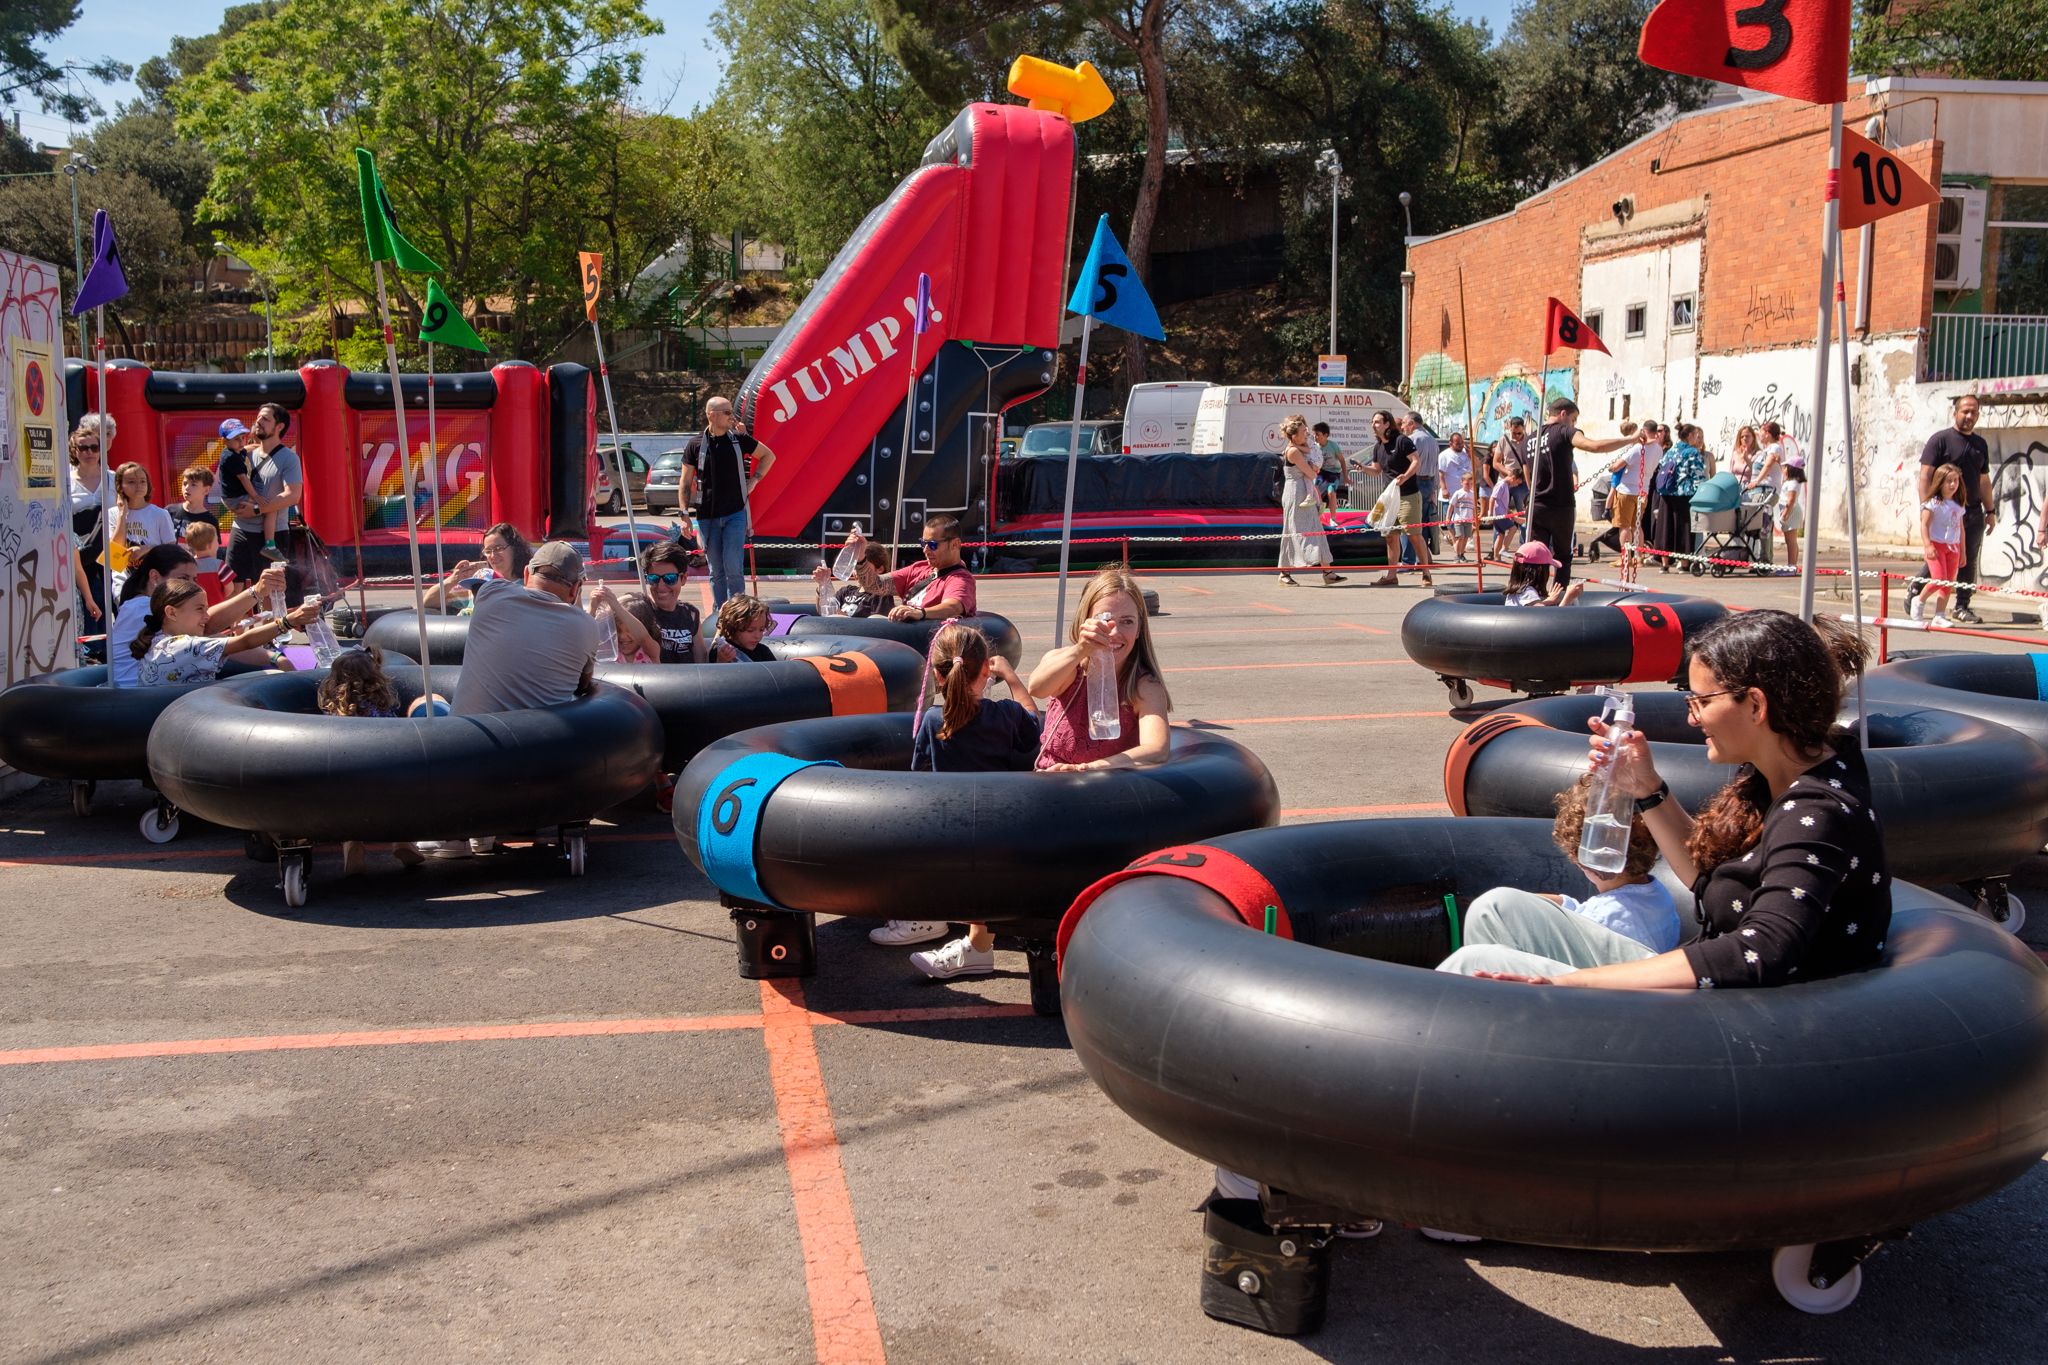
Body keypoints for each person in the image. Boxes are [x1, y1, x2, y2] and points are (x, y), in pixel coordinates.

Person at [1438, 609, 1889, 990]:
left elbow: (1761, 950)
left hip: (1734, 1022)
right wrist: (1646, 787)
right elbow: (1710, 882)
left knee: (1468, 967)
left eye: (1701, 701)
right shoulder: (1787, 773)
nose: (1693, 718)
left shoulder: (1816, 811)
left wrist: (1568, 983)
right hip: (1716, 990)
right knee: (1500, 910)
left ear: (1755, 704)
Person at [889, 623, 1044, 976]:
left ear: (939, 676)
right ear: (987, 670)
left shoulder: (932, 720)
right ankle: (969, 937)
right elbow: (1034, 726)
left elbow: (921, 777)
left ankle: (936, 922)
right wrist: (1013, 677)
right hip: (1000, 825)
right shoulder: (1005, 714)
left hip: (951, 830)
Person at [1029, 564, 1172, 772]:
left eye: (1127, 622)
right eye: (1104, 620)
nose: (1114, 632)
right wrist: (1081, 649)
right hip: (1049, 784)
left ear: (1140, 628)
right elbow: (1037, 687)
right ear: (1084, 621)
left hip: (1105, 792)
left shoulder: (1143, 686)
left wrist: (1091, 768)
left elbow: (1156, 749)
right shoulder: (1068, 665)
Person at [451, 541, 598, 717]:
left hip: (463, 737)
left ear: (527, 573)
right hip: (537, 740)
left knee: (424, 701)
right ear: (575, 589)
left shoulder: (490, 592)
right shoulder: (587, 627)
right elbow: (583, 687)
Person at [108, 546, 287, 688]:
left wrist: (273, 657)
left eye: (194, 579)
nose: (191, 585)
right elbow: (210, 625)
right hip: (137, 700)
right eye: (183, 578)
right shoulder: (140, 607)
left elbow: (215, 641)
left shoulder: (147, 607)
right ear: (155, 577)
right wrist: (257, 592)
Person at [1540, 774, 1681, 953]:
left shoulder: (1601, 920)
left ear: (1577, 857)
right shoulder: (1657, 895)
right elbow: (1581, 910)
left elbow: (1590, 920)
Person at [317, 646, 426, 876]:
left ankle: (352, 845)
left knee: (347, 808)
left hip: (346, 781)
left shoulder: (334, 713)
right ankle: (402, 842)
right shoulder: (383, 706)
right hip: (384, 778)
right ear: (375, 676)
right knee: (399, 800)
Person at [683, 395, 779, 609]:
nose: (731, 417)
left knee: (733, 566)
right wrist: (683, 514)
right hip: (706, 516)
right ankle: (720, 612)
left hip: (735, 513)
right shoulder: (695, 444)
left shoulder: (738, 439)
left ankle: (737, 611)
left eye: (731, 412)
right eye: (726, 413)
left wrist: (755, 480)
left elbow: (768, 456)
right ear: (711, 415)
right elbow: (684, 481)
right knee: (716, 570)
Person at [130, 577, 312, 686]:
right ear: (171, 612)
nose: (207, 616)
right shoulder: (182, 646)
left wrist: (276, 658)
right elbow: (244, 642)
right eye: (200, 609)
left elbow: (230, 645)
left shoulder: (160, 640)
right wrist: (289, 621)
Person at [1528, 398, 1631, 588]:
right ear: (1563, 414)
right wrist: (1630, 440)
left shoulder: (1531, 438)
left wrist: (1533, 497)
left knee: (1536, 554)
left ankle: (1534, 595)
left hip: (1537, 506)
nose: (1574, 423)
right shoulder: (1565, 431)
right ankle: (1558, 597)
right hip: (1561, 506)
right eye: (1573, 419)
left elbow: (1528, 474)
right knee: (1563, 557)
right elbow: (1595, 446)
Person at [1908, 395, 1993, 624]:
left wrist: (1991, 510)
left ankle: (1962, 606)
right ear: (1955, 412)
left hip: (1971, 511)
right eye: (1965, 411)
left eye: (1973, 412)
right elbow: (1926, 475)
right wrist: (1926, 507)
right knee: (1936, 558)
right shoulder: (1940, 440)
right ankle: (1916, 591)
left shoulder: (1980, 445)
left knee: (1965, 560)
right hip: (1941, 512)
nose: (1969, 416)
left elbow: (1984, 480)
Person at [224, 403, 304, 597]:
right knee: (232, 587)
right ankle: (238, 628)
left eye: (266, 419)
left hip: (272, 535)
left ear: (279, 427)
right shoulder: (245, 453)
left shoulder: (288, 458)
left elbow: (293, 495)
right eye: (258, 417)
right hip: (241, 529)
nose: (258, 421)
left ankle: (271, 627)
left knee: (271, 592)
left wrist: (258, 510)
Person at [840, 514, 977, 622]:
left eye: (933, 545)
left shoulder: (961, 579)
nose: (925, 550)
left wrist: (920, 613)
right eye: (923, 543)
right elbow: (875, 585)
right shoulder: (918, 569)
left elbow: (953, 607)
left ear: (955, 544)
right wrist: (860, 558)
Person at [1365, 410, 1430, 586]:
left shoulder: (1402, 441)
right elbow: (1377, 470)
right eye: (1373, 421)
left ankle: (1426, 572)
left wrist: (1405, 476)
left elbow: (1416, 461)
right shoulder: (1378, 447)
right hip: (1390, 498)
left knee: (1413, 534)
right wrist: (1363, 469)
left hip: (1408, 495)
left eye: (1377, 421)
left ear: (1387, 424)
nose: (1373, 424)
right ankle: (1391, 575)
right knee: (1390, 536)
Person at [1276, 415, 1343, 587]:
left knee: (1316, 528)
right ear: (1294, 436)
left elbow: (1312, 465)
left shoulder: (1300, 448)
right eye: (1303, 432)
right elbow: (1312, 473)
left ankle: (1328, 571)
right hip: (1295, 492)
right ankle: (1284, 572)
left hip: (1304, 491)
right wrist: (1314, 469)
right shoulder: (1293, 452)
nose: (1306, 434)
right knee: (1292, 531)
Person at [620, 541, 705, 662]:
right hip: (652, 679)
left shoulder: (691, 614)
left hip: (687, 679)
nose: (660, 586)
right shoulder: (639, 608)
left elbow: (701, 658)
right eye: (653, 579)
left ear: (683, 579)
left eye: (669, 578)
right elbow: (612, 608)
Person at [215, 418, 284, 566]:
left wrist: (263, 446)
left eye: (242, 438)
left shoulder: (236, 450)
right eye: (236, 439)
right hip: (235, 499)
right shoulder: (230, 457)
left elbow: (249, 448)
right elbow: (243, 479)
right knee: (271, 508)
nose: (241, 442)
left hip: (233, 496)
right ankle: (270, 545)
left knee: (266, 506)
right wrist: (256, 497)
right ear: (224, 441)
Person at [67, 420, 113, 646]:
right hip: (81, 555)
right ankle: (93, 653)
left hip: (113, 551)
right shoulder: (66, 481)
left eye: (94, 447)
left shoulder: (113, 479)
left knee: (113, 602)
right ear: (74, 450)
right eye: (83, 448)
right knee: (89, 605)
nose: (89, 453)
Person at [423, 522, 534, 614]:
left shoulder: (530, 585)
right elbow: (428, 601)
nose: (493, 556)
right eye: (488, 551)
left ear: (514, 548)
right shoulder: (476, 585)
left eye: (498, 548)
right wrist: (454, 579)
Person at [105, 461, 176, 598]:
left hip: (154, 580)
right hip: (124, 579)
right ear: (120, 486)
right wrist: (122, 515)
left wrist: (146, 549)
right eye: (131, 482)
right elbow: (114, 552)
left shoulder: (160, 514)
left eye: (143, 481)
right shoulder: (112, 514)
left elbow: (171, 549)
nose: (138, 486)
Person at [1650, 423, 1709, 572]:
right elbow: (1698, 476)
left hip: (1666, 495)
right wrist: (1701, 494)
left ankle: (1665, 564)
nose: (1697, 438)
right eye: (1696, 435)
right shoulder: (1692, 452)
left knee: (1665, 529)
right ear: (1689, 436)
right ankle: (1683, 564)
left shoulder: (1671, 451)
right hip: (1684, 496)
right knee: (1683, 529)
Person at [1915, 462, 1966, 627]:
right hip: (1936, 546)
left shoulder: (1958, 505)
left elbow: (1961, 529)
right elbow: (1924, 524)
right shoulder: (1933, 503)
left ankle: (1940, 614)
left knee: (1948, 583)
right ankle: (1919, 601)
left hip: (1953, 547)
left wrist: (1963, 551)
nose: (1953, 485)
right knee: (1938, 579)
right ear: (1940, 482)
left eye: (1956, 481)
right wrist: (1928, 545)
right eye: (1949, 481)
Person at [1400, 413, 1442, 556]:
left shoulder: (1412, 439)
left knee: (1409, 522)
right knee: (1423, 523)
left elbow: (1409, 463)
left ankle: (1409, 559)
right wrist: (1434, 490)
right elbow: (1436, 467)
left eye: (1404, 423)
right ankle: (1422, 558)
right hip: (1429, 482)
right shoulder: (1432, 440)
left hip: (1415, 482)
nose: (1402, 427)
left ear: (1412, 423)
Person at [1501, 541, 1584, 607]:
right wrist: (1568, 597)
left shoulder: (1519, 591)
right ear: (1540, 571)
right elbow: (1548, 622)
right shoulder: (1528, 593)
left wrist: (1549, 600)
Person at [823, 544, 894, 618]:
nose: (857, 570)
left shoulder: (881, 596)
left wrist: (845, 618)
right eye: (855, 565)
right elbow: (824, 610)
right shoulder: (846, 591)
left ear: (879, 569)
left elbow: (876, 626)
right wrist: (823, 583)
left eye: (862, 566)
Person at [710, 594, 776, 662]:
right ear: (733, 626)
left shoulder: (763, 652)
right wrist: (721, 660)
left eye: (761, 630)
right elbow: (711, 670)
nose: (757, 636)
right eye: (750, 630)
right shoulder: (722, 651)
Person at [169, 464, 219, 542]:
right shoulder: (169, 511)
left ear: (206, 490)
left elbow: (212, 551)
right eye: (185, 483)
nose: (187, 488)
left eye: (193, 484)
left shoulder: (210, 521)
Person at [183, 521, 227, 606]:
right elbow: (230, 588)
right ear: (209, 546)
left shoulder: (188, 566)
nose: (218, 543)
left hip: (195, 607)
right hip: (217, 607)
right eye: (216, 540)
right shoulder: (220, 565)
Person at [1776, 452, 1807, 570]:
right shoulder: (1791, 482)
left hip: (1791, 513)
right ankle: (1792, 565)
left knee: (1790, 541)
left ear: (1792, 469)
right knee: (1790, 540)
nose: (1783, 470)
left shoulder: (1793, 483)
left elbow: (1791, 500)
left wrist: (1784, 515)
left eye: (1785, 467)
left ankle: (1791, 566)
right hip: (1790, 512)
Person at [1487, 467, 1523, 559]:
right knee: (1513, 528)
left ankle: (1496, 557)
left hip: (1501, 513)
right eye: (1517, 482)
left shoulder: (1506, 486)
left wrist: (1509, 512)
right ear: (1513, 478)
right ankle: (1504, 548)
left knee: (1501, 535)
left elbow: (1502, 501)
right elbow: (1492, 498)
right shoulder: (1501, 485)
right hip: (1498, 515)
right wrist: (1490, 514)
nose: (1516, 485)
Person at [1313, 421, 1346, 516]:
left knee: (1331, 492)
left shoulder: (1333, 446)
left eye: (1318, 435)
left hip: (1334, 473)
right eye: (1314, 435)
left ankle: (1333, 518)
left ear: (1326, 435)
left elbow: (1342, 460)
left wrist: (1346, 477)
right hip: (1322, 471)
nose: (1315, 437)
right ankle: (1320, 504)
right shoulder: (1315, 447)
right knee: (1314, 485)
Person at [1447, 469, 1479, 563]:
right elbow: (1451, 506)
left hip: (1468, 520)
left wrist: (1474, 519)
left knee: (1465, 538)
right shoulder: (1458, 493)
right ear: (1462, 483)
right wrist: (1448, 518)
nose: (1468, 486)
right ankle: (1457, 555)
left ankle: (1461, 554)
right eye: (1466, 484)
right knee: (1460, 537)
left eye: (1470, 484)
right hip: (1458, 519)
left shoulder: (1473, 494)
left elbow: (1473, 508)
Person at [1438, 430, 1474, 514]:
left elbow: (1478, 465)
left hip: (1466, 494)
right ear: (1450, 443)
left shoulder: (1467, 453)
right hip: (1451, 494)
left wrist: (1471, 455)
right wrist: (1444, 489)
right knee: (1451, 522)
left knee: (1464, 521)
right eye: (1457, 444)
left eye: (1462, 443)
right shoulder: (1444, 455)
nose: (1461, 445)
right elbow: (1441, 474)